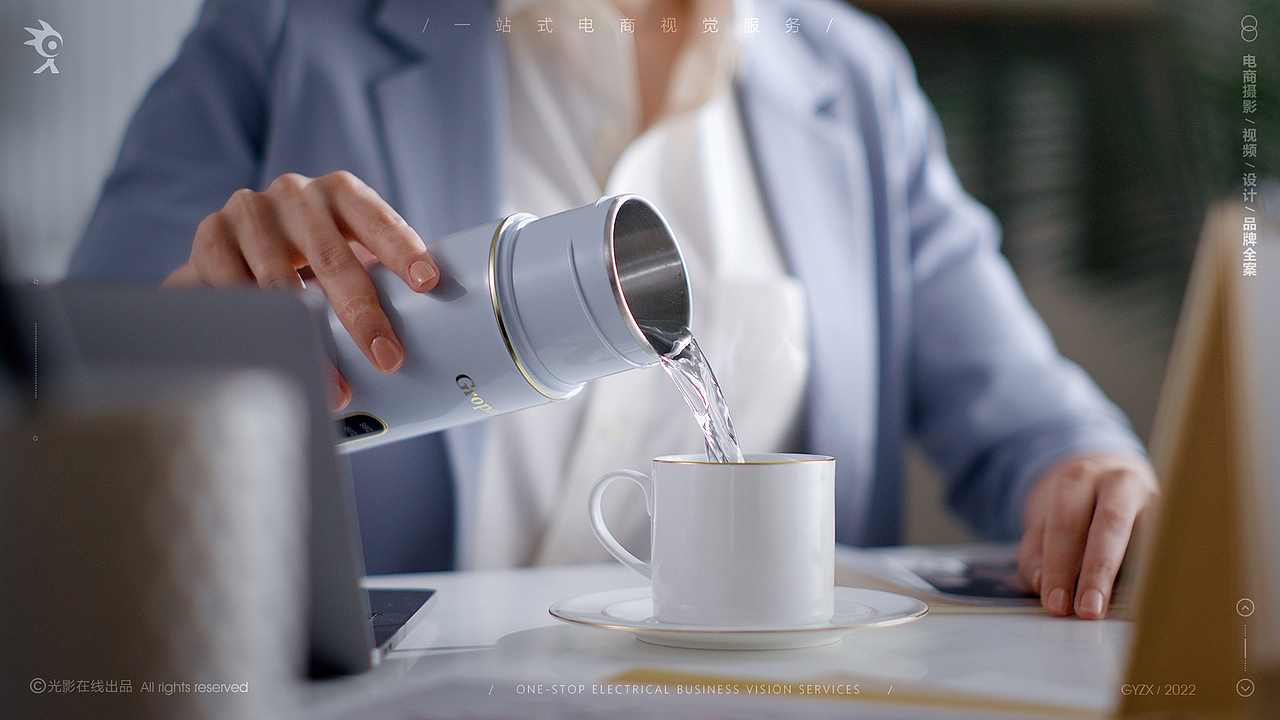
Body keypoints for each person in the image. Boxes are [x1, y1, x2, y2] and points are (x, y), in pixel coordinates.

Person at [69, 0, 1157, 619]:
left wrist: (1091, 479)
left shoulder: (851, 79)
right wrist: (197, 321)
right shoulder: (289, 32)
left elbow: (1032, 428)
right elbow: (70, 407)